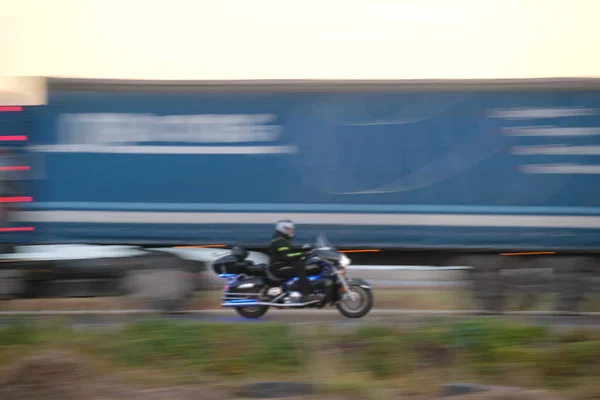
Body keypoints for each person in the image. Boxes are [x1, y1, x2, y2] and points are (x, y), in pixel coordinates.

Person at [268, 220, 320, 303]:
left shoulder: (282, 240)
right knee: (300, 268)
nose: (292, 231)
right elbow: (286, 256)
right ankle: (305, 294)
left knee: (303, 265)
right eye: (289, 229)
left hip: (282, 265)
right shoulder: (279, 241)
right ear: (283, 229)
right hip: (278, 267)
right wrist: (303, 254)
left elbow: (291, 251)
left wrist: (304, 249)